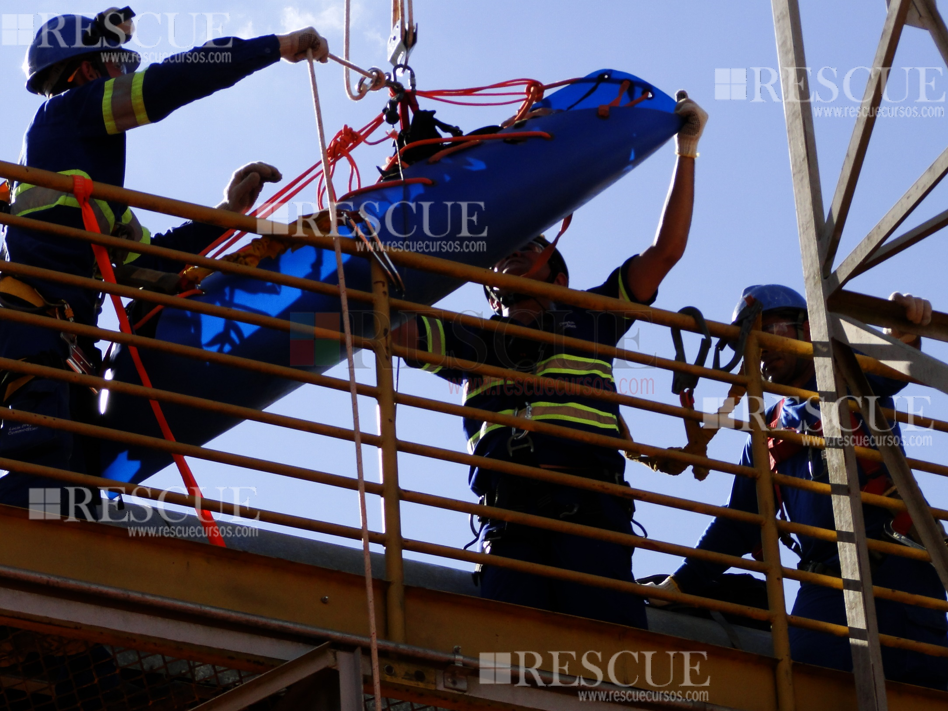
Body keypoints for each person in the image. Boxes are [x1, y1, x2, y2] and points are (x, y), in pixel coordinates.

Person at [394, 93, 708, 627]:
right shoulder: (472, 338)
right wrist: (398, 219)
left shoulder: (590, 317)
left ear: (558, 276)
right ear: (491, 290)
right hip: (510, 516)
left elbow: (664, 254)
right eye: (502, 256)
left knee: (612, 661)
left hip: (592, 513)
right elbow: (390, 326)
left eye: (527, 248)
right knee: (509, 657)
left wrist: (687, 152)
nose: (513, 254)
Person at [0, 8, 329, 515]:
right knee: (41, 478)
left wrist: (228, 213)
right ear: (86, 71)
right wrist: (274, 46)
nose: (124, 79)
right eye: (116, 67)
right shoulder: (68, 110)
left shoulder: (91, 196)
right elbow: (174, 80)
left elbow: (151, 258)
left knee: (75, 492)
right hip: (33, 337)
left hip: (62, 349)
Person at [648, 285, 948, 688]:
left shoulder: (849, 377)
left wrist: (903, 318)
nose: (764, 348)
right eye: (753, 341)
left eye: (773, 331)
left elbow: (894, 360)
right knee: (804, 682)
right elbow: (741, 523)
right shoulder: (768, 430)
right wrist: (681, 583)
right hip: (825, 584)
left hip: (897, 571)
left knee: (924, 689)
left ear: (807, 329)